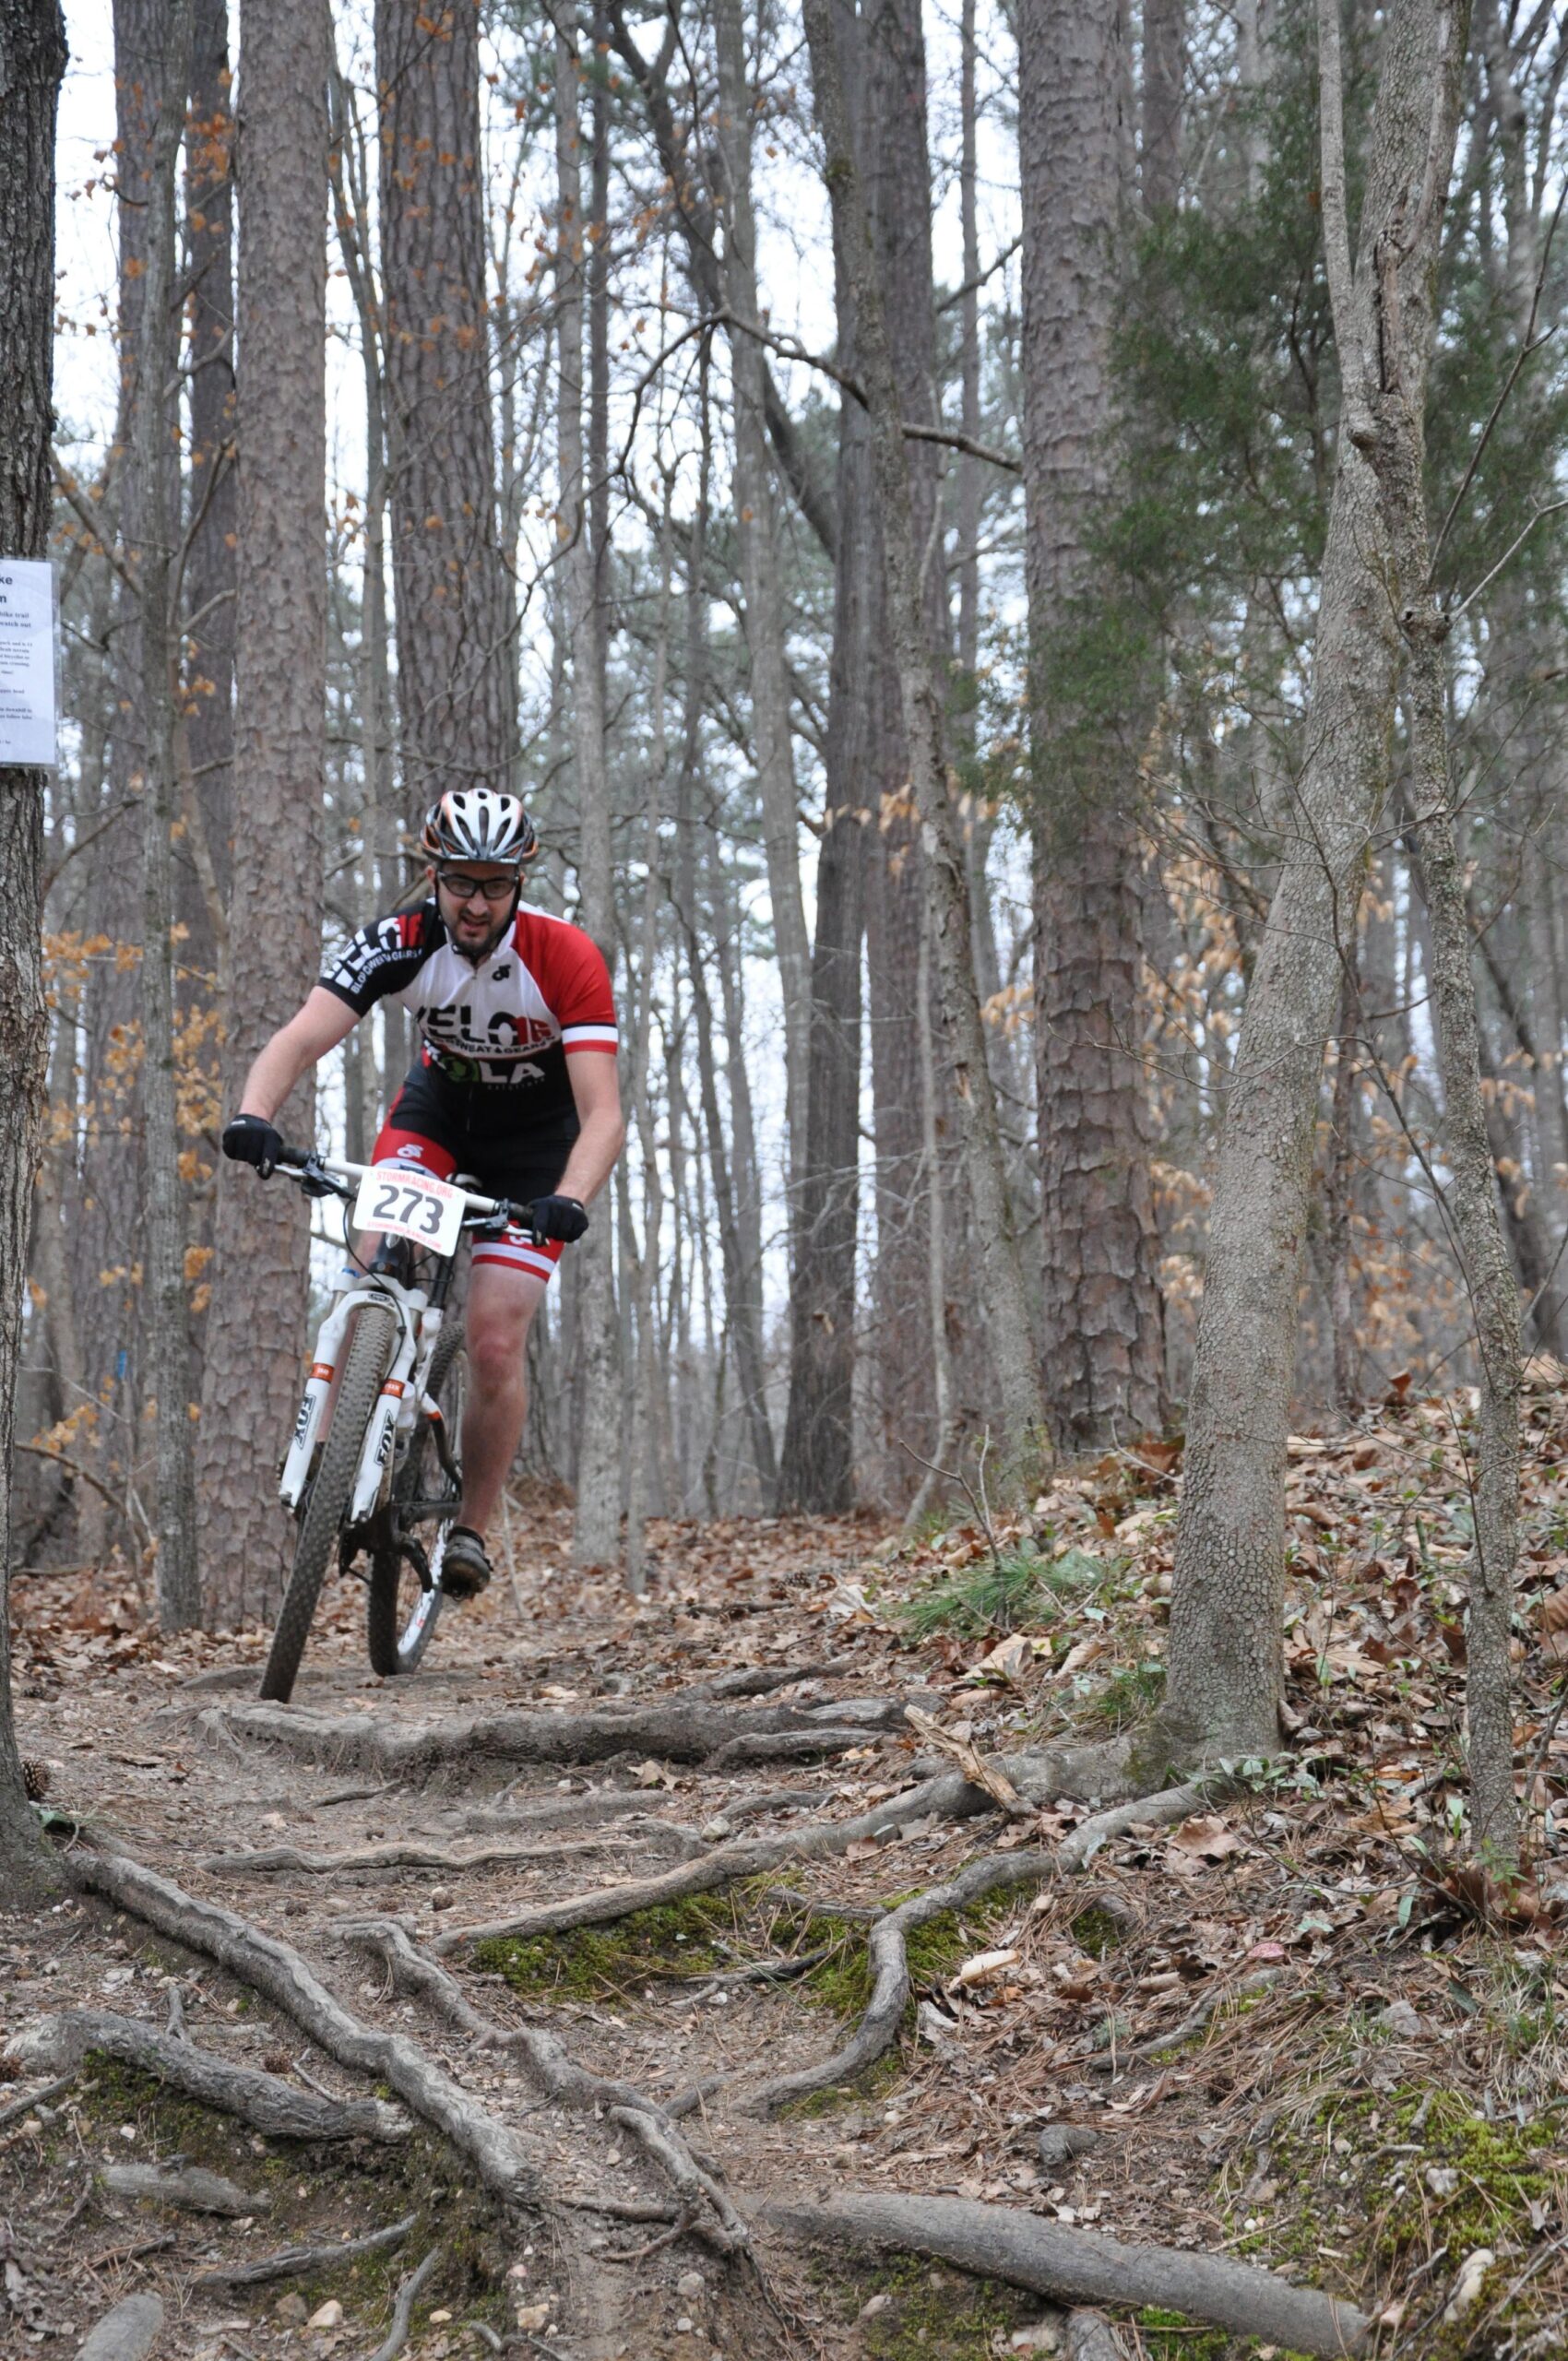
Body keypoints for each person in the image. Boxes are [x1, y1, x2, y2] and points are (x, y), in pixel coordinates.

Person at [220, 788, 624, 1601]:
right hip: (437, 1116)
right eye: (460, 883)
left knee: (496, 1337)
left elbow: (604, 1113)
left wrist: (571, 1197)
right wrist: (253, 1114)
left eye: (494, 885)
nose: (476, 903)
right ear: (432, 876)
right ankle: (332, 1462)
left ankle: (469, 1527)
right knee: (371, 1264)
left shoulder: (564, 957)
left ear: (519, 885)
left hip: (535, 1147)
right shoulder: (398, 941)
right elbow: (302, 1035)